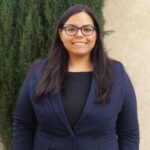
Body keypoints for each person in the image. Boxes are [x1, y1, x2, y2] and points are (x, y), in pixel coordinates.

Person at [12, 4, 139, 150]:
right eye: (71, 29)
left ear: (96, 34)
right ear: (60, 33)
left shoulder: (117, 74)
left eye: (87, 29)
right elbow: (23, 125)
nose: (79, 34)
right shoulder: (39, 72)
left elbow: (128, 132)